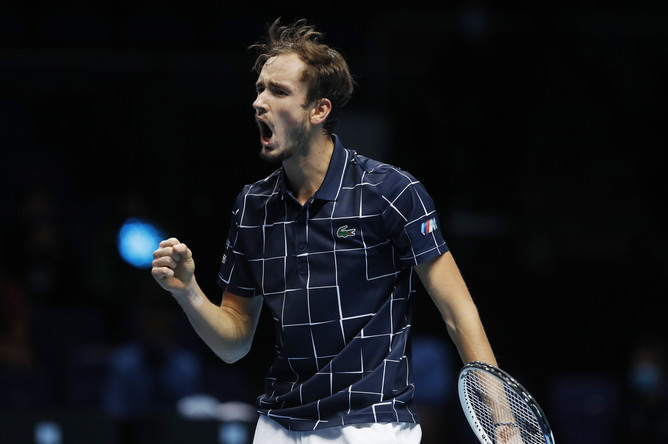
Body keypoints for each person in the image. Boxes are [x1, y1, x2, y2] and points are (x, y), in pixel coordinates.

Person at [152, 18, 498, 443]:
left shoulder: (390, 192)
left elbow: (458, 312)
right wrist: (188, 291)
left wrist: (499, 418)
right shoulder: (253, 205)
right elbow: (234, 342)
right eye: (259, 89)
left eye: (279, 91)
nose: (259, 102)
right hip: (279, 425)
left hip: (371, 424)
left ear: (319, 110)